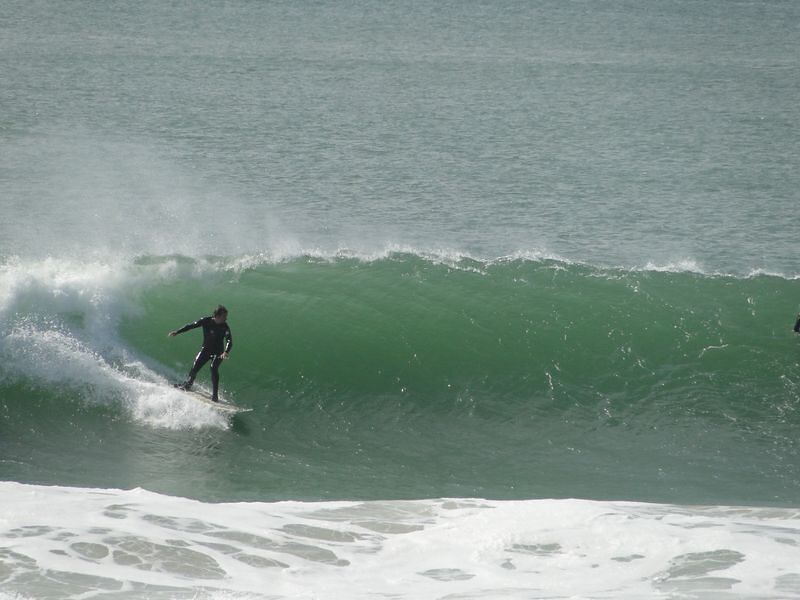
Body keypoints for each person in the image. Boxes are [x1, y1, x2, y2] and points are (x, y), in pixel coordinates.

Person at [168, 305, 232, 402]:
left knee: (213, 368)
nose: (226, 318)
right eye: (224, 316)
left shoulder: (225, 327)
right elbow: (191, 326)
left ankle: (215, 396)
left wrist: (226, 352)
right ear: (217, 316)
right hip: (205, 350)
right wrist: (177, 332)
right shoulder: (206, 321)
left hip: (219, 353)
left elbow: (229, 340)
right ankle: (187, 385)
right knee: (194, 368)